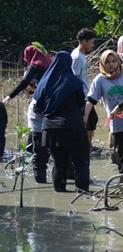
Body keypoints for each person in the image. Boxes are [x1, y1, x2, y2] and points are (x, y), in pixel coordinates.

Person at [34, 52, 90, 192]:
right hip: (73, 127)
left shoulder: (44, 82)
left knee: (59, 164)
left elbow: (38, 106)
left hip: (50, 128)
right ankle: (82, 193)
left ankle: (59, 192)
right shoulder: (75, 82)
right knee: (80, 163)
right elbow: (81, 104)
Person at [3, 44, 51, 182]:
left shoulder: (35, 65)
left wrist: (9, 96)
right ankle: (28, 153)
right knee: (36, 133)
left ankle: (30, 160)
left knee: (36, 132)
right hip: (50, 105)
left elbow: (24, 83)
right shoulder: (49, 63)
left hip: (39, 105)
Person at [84, 50, 123, 171]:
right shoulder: (100, 80)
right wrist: (85, 117)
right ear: (102, 64)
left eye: (113, 61)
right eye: (107, 62)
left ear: (118, 61)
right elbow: (91, 100)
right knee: (121, 154)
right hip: (117, 123)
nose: (111, 64)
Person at [72, 28, 97, 149]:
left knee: (92, 120)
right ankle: (86, 146)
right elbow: (73, 78)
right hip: (80, 96)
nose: (92, 45)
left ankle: (87, 145)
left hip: (86, 94)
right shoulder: (76, 57)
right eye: (91, 42)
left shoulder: (82, 55)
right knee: (90, 120)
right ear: (84, 41)